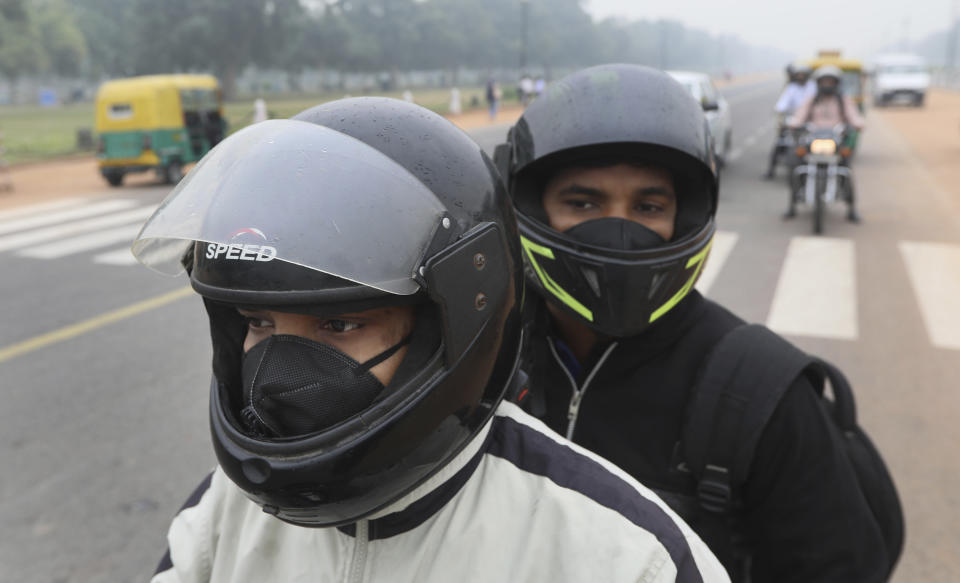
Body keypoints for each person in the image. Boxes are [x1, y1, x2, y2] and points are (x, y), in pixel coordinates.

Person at [134, 98, 729, 583]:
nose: (276, 379)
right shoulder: (222, 516)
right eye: (259, 324)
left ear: (451, 329)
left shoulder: (624, 556)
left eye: (339, 326)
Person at [497, 64, 889, 582]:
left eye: (648, 205)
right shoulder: (485, 361)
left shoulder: (759, 393)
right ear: (532, 208)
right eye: (584, 202)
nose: (619, 229)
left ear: (683, 218)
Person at [787, 64, 865, 222]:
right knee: (795, 165)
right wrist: (794, 123)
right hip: (813, 140)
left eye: (831, 82)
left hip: (835, 142)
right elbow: (800, 116)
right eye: (824, 82)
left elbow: (854, 116)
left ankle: (851, 209)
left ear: (836, 83)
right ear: (819, 83)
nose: (827, 85)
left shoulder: (843, 100)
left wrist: (857, 123)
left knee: (846, 170)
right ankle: (792, 204)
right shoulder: (811, 100)